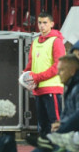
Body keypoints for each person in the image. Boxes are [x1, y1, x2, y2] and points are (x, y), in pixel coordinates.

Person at [23, 12, 66, 140]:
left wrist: (37, 77)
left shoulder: (56, 41)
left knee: (55, 123)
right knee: (43, 126)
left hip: (51, 88)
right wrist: (25, 74)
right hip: (38, 89)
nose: (42, 26)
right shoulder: (35, 42)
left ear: (52, 24)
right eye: (40, 23)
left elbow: (59, 66)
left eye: (45, 23)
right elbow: (31, 63)